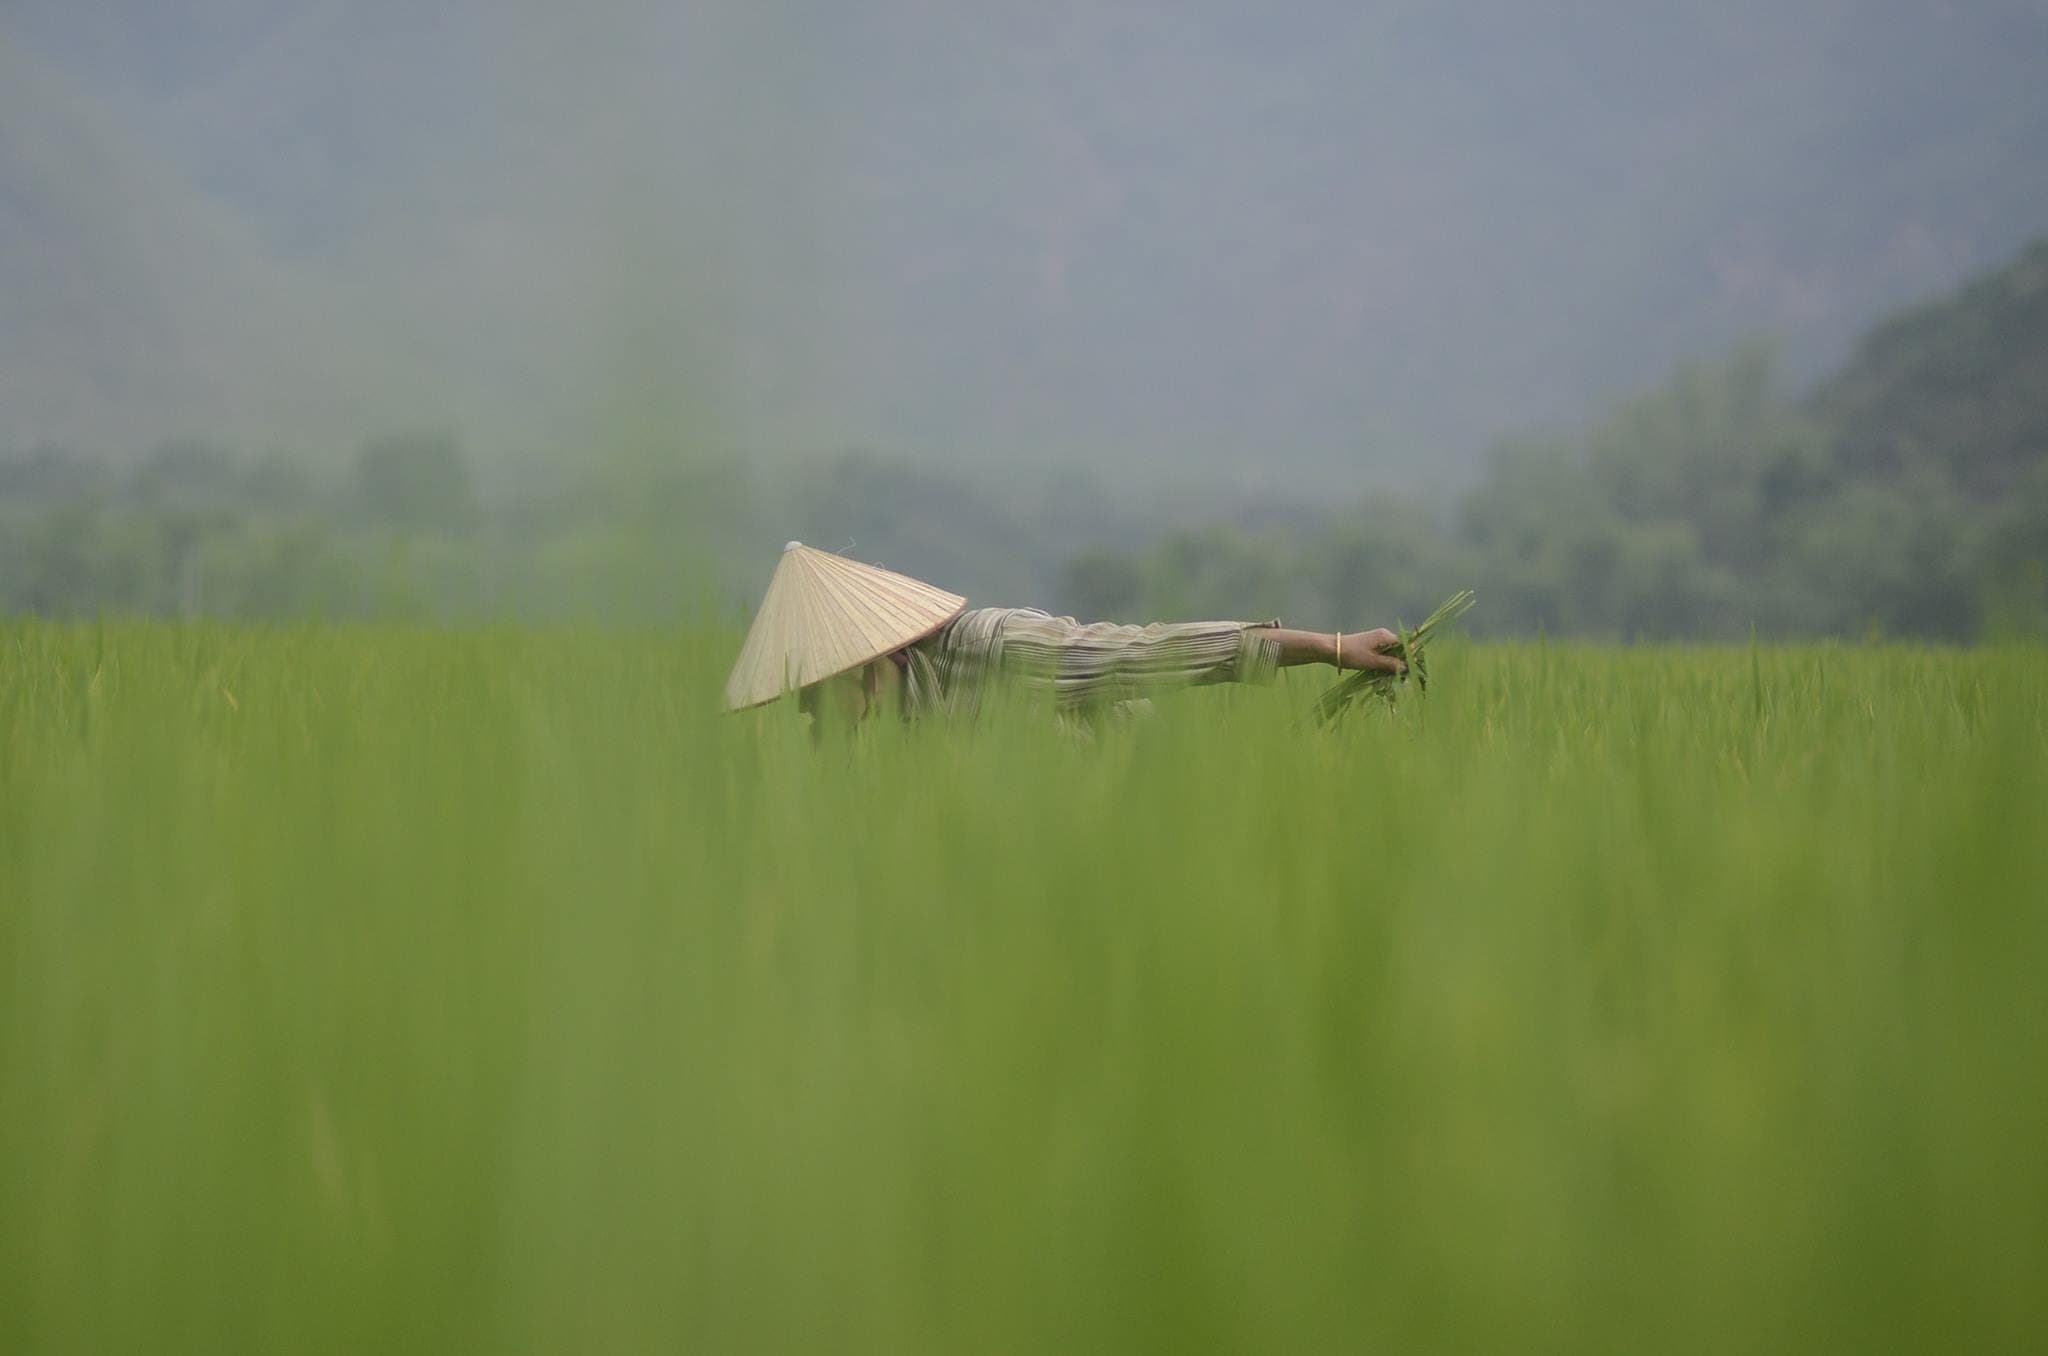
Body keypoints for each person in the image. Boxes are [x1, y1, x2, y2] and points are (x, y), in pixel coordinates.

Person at [727, 542, 1403, 727]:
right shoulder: (878, 732)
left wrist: (1333, 649)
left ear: (855, 666)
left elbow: (1154, 656)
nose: (810, 717)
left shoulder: (997, 648)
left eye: (813, 696)